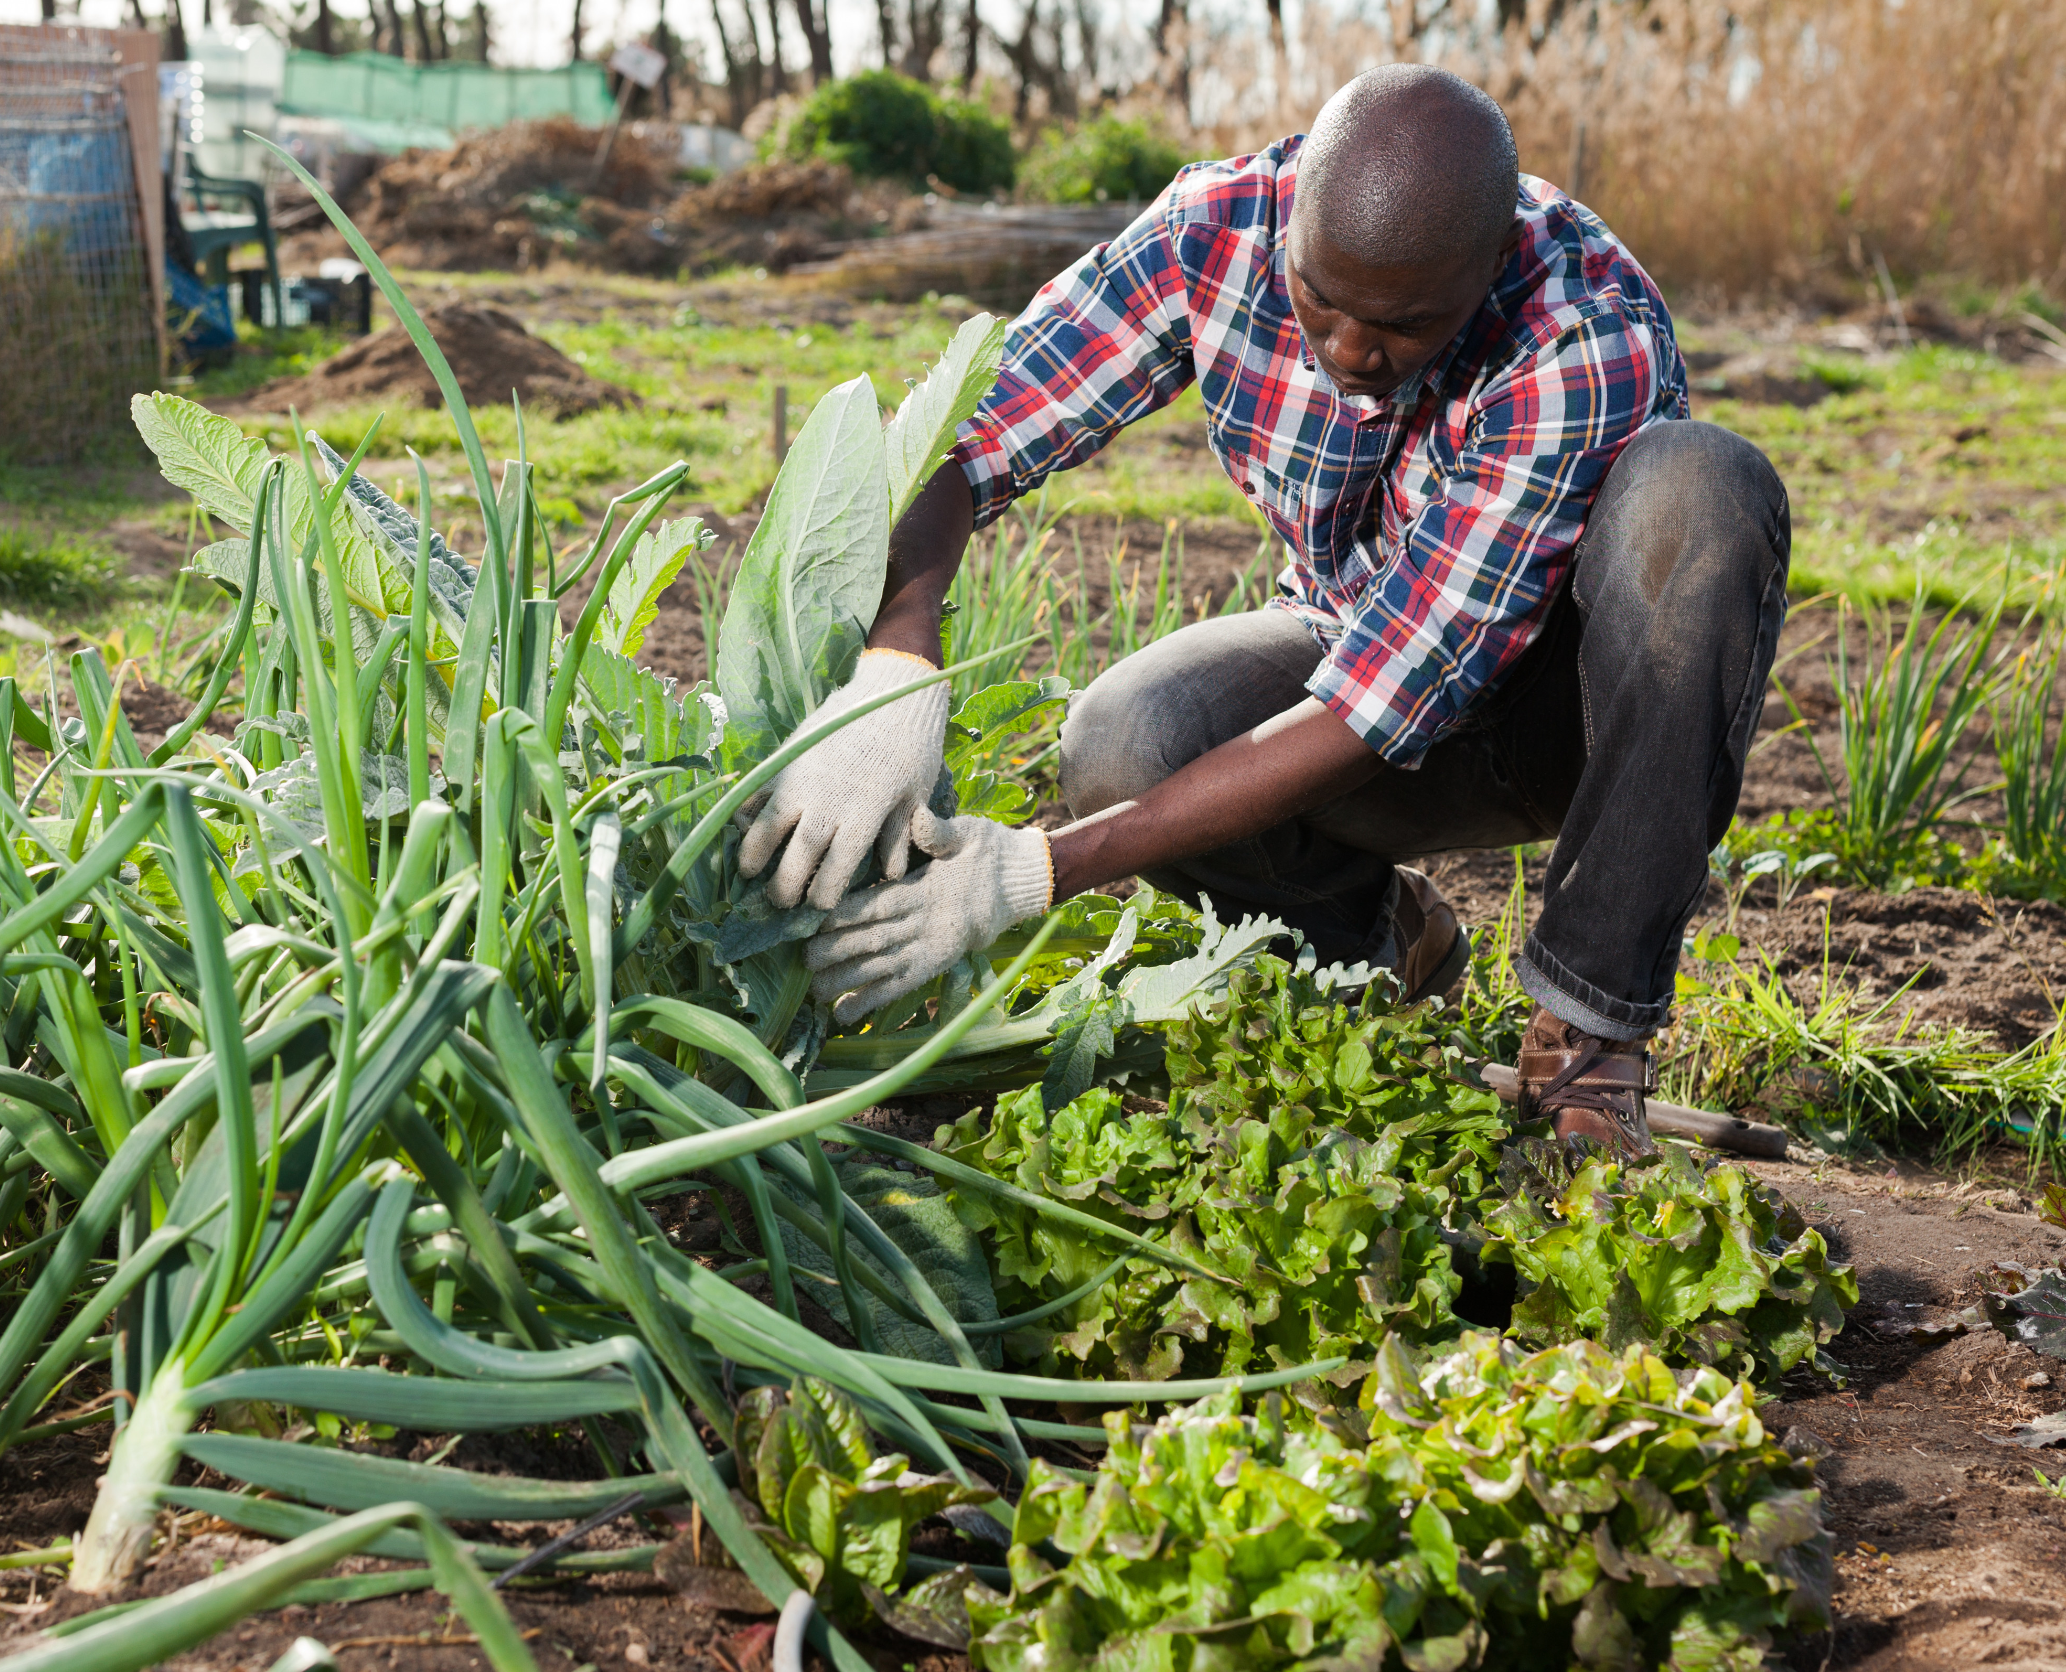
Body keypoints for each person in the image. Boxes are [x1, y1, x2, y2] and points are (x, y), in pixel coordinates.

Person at [736, 63, 1790, 1160]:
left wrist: (1034, 870)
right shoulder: (1214, 227)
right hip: (1356, 648)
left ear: (1491, 265)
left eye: (1401, 326)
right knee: (1123, 739)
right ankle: (1370, 945)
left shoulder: (1581, 327)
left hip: (1564, 717)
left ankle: (1588, 1036)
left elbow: (1384, 701)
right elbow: (971, 436)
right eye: (1318, 301)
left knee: (1699, 487)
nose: (1346, 353)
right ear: (1293, 220)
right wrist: (898, 662)